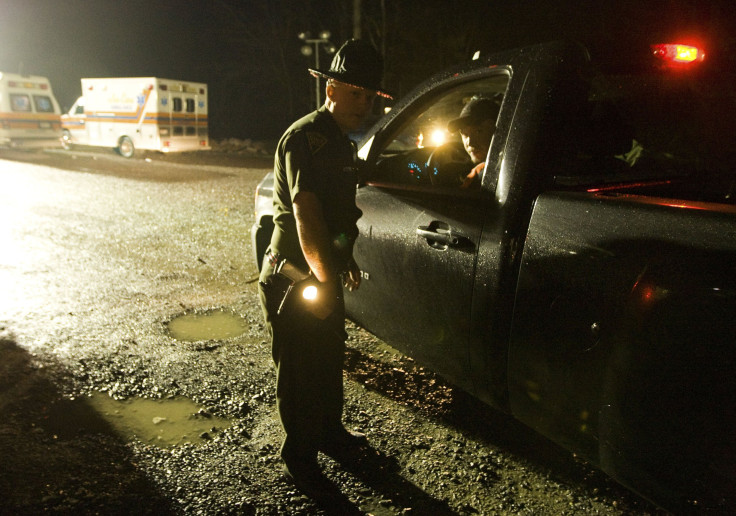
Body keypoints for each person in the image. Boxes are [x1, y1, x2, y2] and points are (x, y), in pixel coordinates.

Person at [258, 39, 392, 491]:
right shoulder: (306, 137)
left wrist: (344, 259)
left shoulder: (339, 141)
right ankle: (300, 454)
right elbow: (307, 215)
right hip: (294, 274)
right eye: (356, 93)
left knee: (328, 357)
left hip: (321, 271)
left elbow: (338, 216)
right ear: (330, 88)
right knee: (298, 367)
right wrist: (323, 279)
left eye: (370, 96)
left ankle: (330, 433)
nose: (365, 103)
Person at [446, 96, 499, 188]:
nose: (470, 143)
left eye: (479, 131)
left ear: (496, 131)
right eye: (465, 134)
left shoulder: (480, 178)